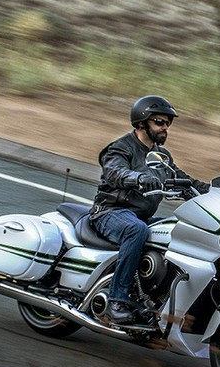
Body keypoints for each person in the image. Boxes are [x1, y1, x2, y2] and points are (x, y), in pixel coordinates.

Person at [90, 95, 210, 324]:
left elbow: (182, 179)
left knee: (179, 231)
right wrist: (139, 178)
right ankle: (117, 301)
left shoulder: (161, 156)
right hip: (109, 212)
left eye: (167, 123)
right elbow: (115, 172)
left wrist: (214, 190)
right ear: (142, 123)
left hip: (141, 215)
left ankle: (157, 297)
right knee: (136, 230)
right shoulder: (120, 148)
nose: (165, 128)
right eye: (159, 122)